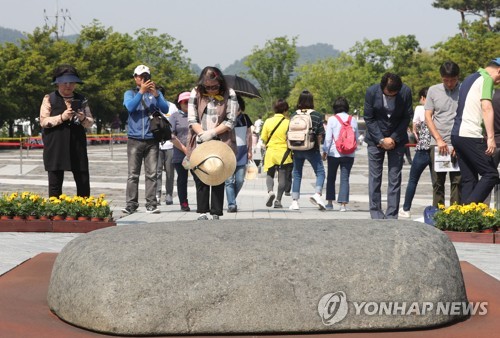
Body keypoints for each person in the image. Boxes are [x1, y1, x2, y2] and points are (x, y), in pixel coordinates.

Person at [187, 66, 237, 220]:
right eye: (207, 87)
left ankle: (216, 211)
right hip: (200, 137)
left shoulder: (230, 93)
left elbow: (231, 120)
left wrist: (213, 132)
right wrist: (202, 133)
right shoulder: (196, 92)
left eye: (214, 87)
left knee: (218, 173)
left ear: (220, 83)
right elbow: (192, 118)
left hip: (221, 139)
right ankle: (202, 211)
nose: (211, 90)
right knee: (201, 173)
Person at [39, 64, 95, 198]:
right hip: (55, 144)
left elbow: (90, 122)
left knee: (83, 179)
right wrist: (62, 117)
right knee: (55, 182)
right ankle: (55, 213)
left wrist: (82, 118)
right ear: (58, 83)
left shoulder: (82, 99)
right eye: (64, 82)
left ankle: (84, 211)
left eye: (71, 82)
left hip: (77, 144)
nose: (68, 86)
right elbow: (44, 121)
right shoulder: (49, 98)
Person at [364, 72, 413, 219]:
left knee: (394, 177)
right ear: (382, 87)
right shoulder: (372, 92)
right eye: (388, 93)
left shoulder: (405, 92)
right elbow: (369, 117)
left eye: (394, 94)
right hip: (375, 140)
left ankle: (392, 214)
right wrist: (381, 139)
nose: (391, 96)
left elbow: (406, 117)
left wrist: (393, 138)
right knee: (375, 177)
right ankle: (376, 213)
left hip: (396, 140)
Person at [451, 58, 500, 204]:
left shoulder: (470, 78)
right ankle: (468, 208)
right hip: (470, 134)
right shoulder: (487, 79)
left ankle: (465, 221)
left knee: (469, 179)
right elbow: (486, 107)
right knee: (491, 174)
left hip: (457, 134)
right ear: (499, 70)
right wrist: (490, 137)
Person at [122, 64, 170, 214]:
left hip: (151, 139)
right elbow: (130, 107)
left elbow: (165, 108)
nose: (143, 79)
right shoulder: (130, 93)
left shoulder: (155, 94)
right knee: (133, 174)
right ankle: (131, 204)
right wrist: (141, 93)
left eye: (146, 77)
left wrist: (156, 94)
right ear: (135, 78)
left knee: (151, 174)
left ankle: (151, 204)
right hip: (134, 139)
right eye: (140, 77)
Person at [424, 61, 462, 208]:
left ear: (458, 77)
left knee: (458, 182)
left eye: (453, 80)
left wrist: (460, 142)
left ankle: (456, 215)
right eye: (446, 80)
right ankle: (437, 215)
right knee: (438, 183)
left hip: (459, 142)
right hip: (438, 144)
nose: (450, 83)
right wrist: (439, 139)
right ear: (441, 78)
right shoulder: (433, 91)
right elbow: (428, 117)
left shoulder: (464, 89)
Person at [289, 90, 326, 211]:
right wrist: (319, 146)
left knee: (297, 174)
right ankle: (317, 194)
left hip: (296, 147)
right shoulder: (316, 115)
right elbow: (321, 134)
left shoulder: (294, 114)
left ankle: (295, 202)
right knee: (320, 172)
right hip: (311, 148)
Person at [399, 87, 432, 218]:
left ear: (423, 98)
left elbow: (415, 129)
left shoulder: (420, 108)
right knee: (437, 183)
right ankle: (438, 209)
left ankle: (406, 209)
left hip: (422, 149)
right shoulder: (440, 109)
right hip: (436, 149)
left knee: (413, 180)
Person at [322, 96, 359, 212]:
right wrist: (352, 149)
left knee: (331, 177)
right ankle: (343, 205)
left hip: (334, 153)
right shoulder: (352, 119)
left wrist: (325, 151)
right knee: (345, 178)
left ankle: (329, 203)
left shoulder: (332, 119)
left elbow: (328, 138)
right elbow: (356, 137)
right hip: (349, 154)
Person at [260, 99, 293, 209]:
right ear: (285, 109)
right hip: (284, 153)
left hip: (271, 152)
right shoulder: (288, 122)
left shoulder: (268, 121)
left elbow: (264, 138)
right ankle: (278, 200)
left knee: (270, 174)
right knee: (282, 177)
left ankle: (270, 192)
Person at [225, 95, 253, 213]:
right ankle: (232, 204)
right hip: (228, 152)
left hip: (242, 153)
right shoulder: (225, 118)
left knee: (240, 180)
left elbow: (249, 134)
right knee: (229, 181)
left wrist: (250, 150)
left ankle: (231, 199)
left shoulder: (245, 118)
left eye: (237, 107)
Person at [169, 91, 191, 211]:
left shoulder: (197, 116)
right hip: (179, 153)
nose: (188, 104)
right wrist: (184, 149)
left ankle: (202, 203)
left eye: (190, 101)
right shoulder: (175, 116)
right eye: (185, 102)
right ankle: (183, 202)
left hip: (197, 153)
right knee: (182, 179)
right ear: (179, 103)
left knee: (200, 179)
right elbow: (171, 136)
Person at [156, 100, 175, 206]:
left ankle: (169, 194)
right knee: (157, 172)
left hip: (170, 145)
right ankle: (157, 195)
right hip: (156, 145)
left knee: (170, 172)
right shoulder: (152, 106)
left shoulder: (172, 107)